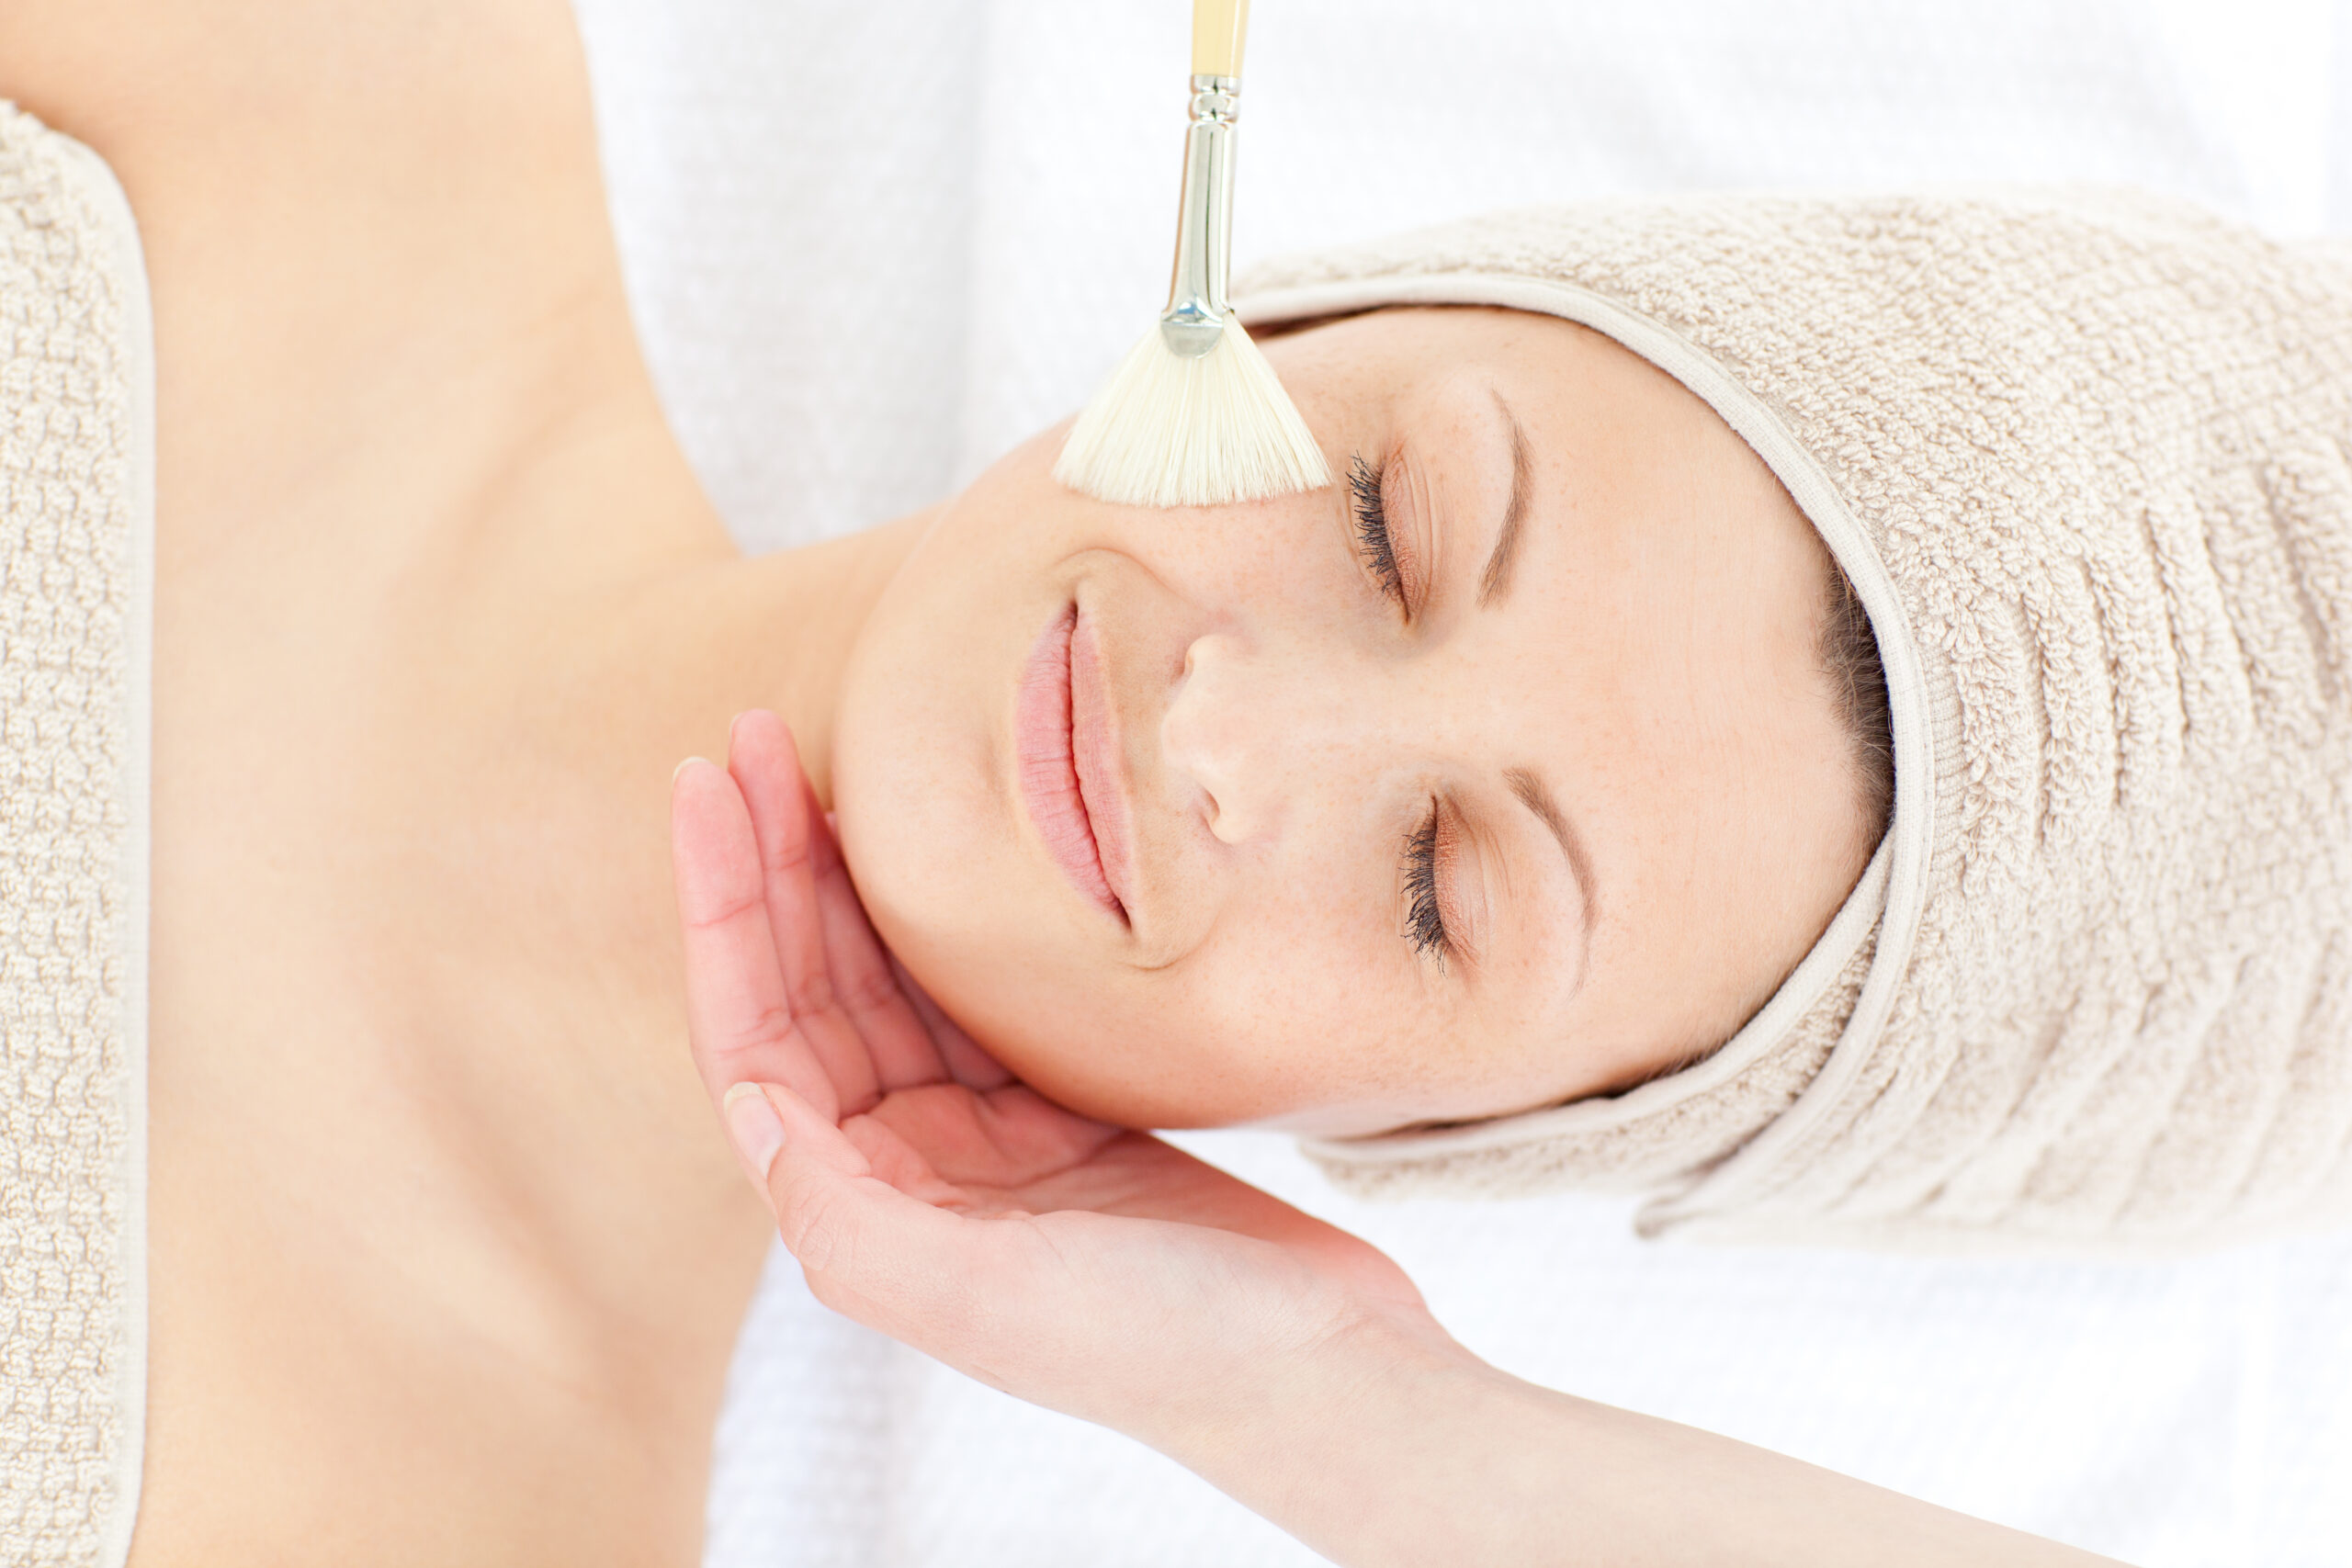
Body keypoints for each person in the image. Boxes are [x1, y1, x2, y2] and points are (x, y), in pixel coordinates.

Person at [7, 0, 2344, 1563]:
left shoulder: (435, 1513)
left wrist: (1359, 1413)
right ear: (1320, 308)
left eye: (1440, 891)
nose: (1226, 733)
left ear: (1443, 1145)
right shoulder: (312, 74)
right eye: (1388, 523)